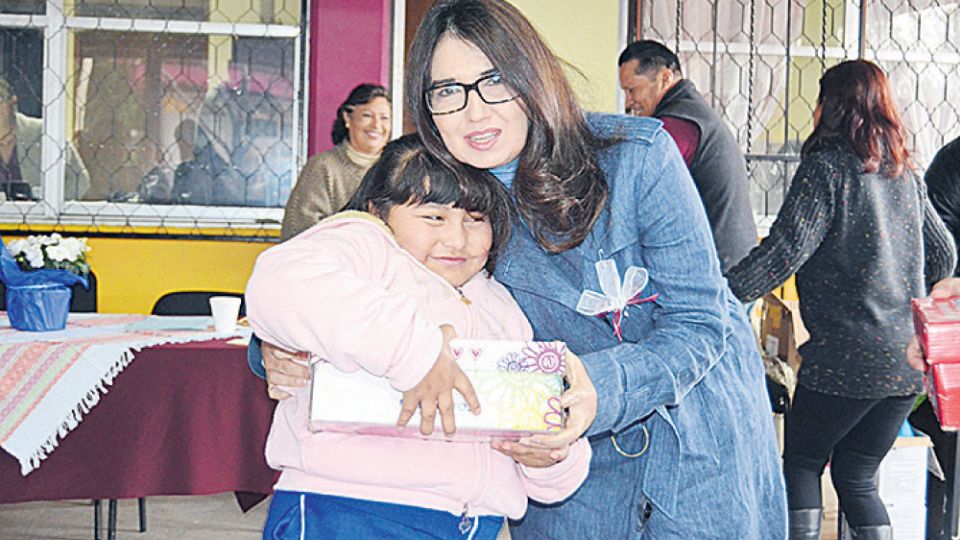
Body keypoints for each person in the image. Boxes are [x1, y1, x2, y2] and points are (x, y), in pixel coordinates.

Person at [258, 1, 786, 537]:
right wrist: (277, 350)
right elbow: (339, 269)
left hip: (690, 438)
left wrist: (600, 387)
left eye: (495, 81)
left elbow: (699, 321)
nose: (474, 112)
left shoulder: (636, 157)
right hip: (561, 466)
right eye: (448, 91)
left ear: (533, 75)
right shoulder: (445, 192)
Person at [245, 134, 593, 539]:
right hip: (349, 512)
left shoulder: (502, 305)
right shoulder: (368, 247)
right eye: (433, 217)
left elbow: (534, 417)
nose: (457, 239)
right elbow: (281, 282)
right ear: (379, 211)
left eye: (475, 219)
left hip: (474, 525)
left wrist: (551, 457)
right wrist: (417, 352)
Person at [725, 60, 956, 539]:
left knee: (802, 463)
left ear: (829, 107)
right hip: (905, 362)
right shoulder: (904, 172)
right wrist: (906, 296)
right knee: (856, 474)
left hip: (843, 361)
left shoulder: (825, 170)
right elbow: (944, 253)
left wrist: (722, 295)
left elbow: (786, 250)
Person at [618, 40, 757, 273]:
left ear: (664, 78)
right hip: (730, 262)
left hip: (722, 271)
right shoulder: (690, 112)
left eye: (632, 90)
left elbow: (639, 184)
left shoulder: (679, 124)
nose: (628, 102)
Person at [280, 84, 391, 240]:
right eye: (367, 115)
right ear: (347, 117)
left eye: (384, 118)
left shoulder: (397, 169)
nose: (376, 125)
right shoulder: (323, 167)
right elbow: (297, 230)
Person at [0, 77, 90, 200]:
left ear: (13, 102)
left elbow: (80, 180)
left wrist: (49, 204)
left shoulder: (44, 133)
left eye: (0, 99)